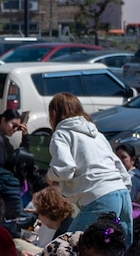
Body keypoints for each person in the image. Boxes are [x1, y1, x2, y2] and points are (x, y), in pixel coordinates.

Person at [45, 92, 131, 240]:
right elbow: (118, 165)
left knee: (71, 248)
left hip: (99, 197)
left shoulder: (62, 134)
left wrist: (50, 175)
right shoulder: (97, 134)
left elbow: (64, 169)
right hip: (123, 195)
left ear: (54, 113)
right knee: (118, 252)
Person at [24, 186, 77, 250]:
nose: (39, 218)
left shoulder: (64, 236)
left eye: (39, 212)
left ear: (46, 212)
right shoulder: (68, 223)